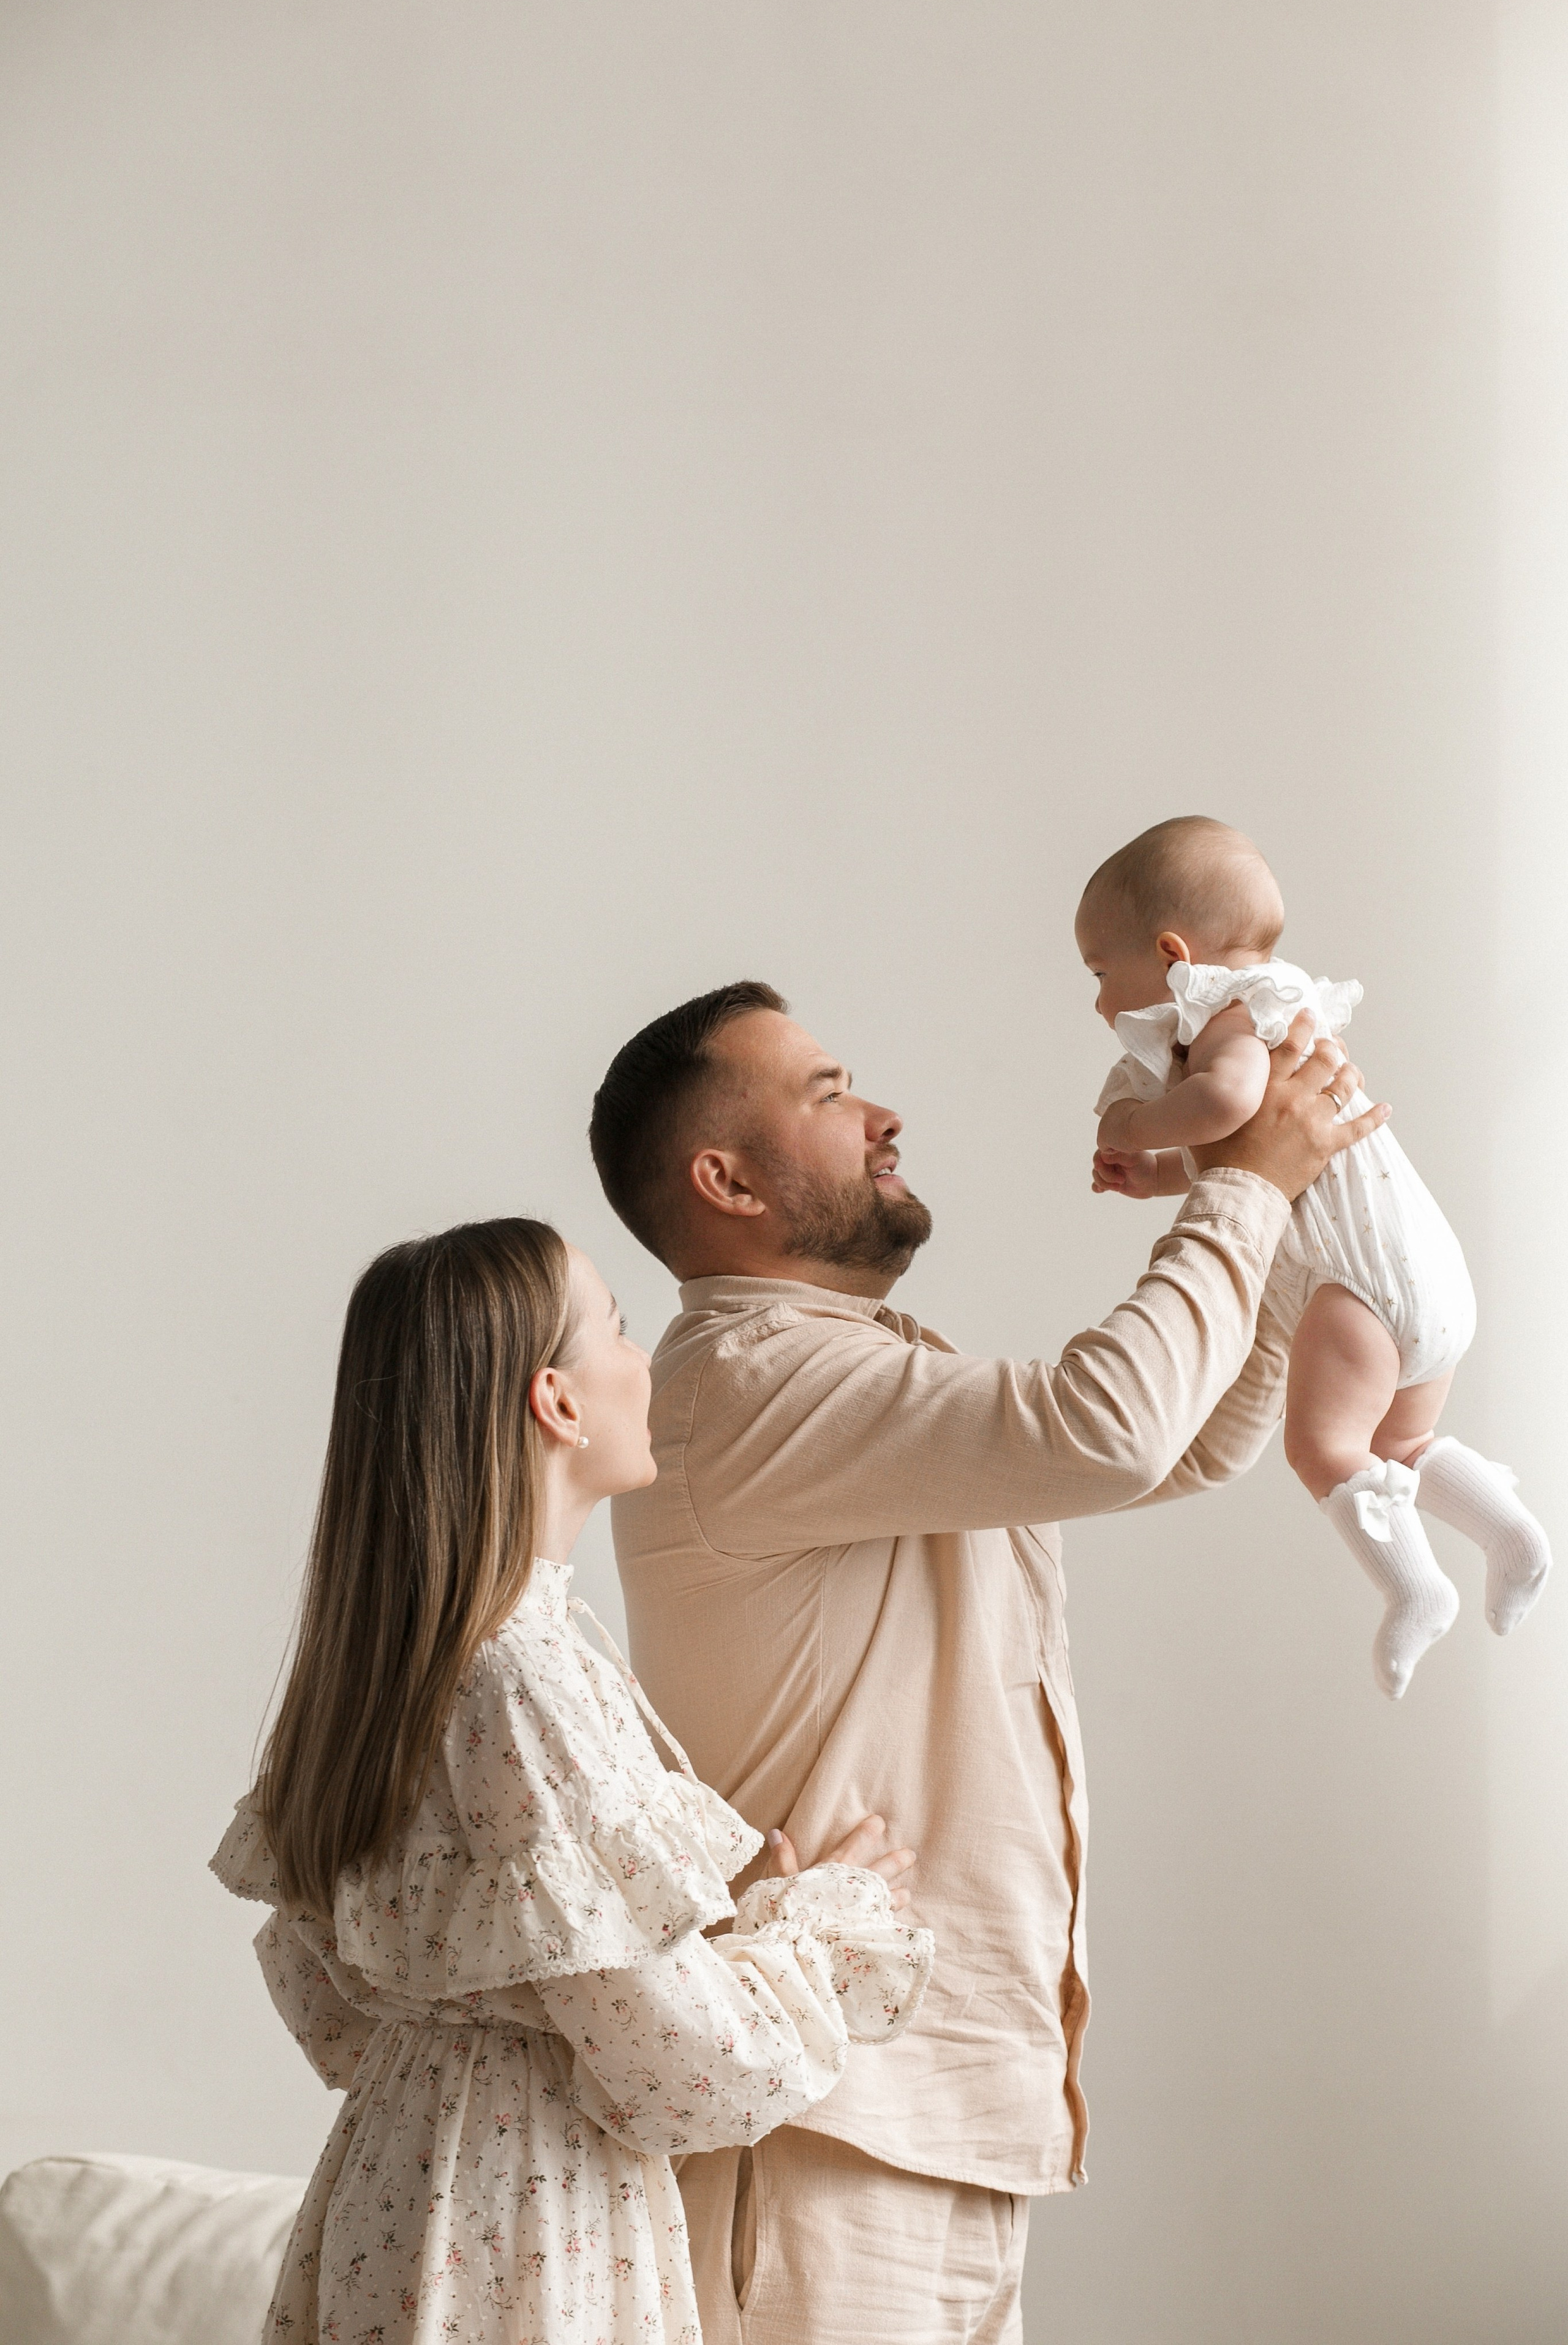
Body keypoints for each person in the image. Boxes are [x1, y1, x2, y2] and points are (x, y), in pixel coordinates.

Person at [589, 977, 1386, 2345]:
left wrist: (1285, 1210)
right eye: (830, 1095)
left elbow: (1178, 1445)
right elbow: (1111, 1428)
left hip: (931, 2124)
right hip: (823, 2135)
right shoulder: (745, 1382)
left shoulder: (848, 1371)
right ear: (722, 1178)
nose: (884, 1117)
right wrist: (1240, 1191)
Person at [210, 1217, 932, 2345]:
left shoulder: (400, 1663)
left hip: (395, 2193)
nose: (645, 1363)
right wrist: (818, 1930)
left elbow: (344, 2016)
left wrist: (689, 1952)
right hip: (524, 2219)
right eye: (624, 1330)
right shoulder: (522, 1676)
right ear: (557, 1400)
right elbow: (691, 2067)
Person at [1082, 815, 1550, 1696]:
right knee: (1399, 1438)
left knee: (1322, 1447)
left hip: (1355, 1281)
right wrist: (1155, 1174)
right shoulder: (1281, 1011)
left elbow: (1227, 1104)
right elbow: (1256, 1146)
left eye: (1102, 973)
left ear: (1172, 952)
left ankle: (1416, 1590)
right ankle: (1514, 1537)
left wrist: (1137, 1121)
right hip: (1419, 1261)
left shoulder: (1228, 1013)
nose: (1101, 1002)